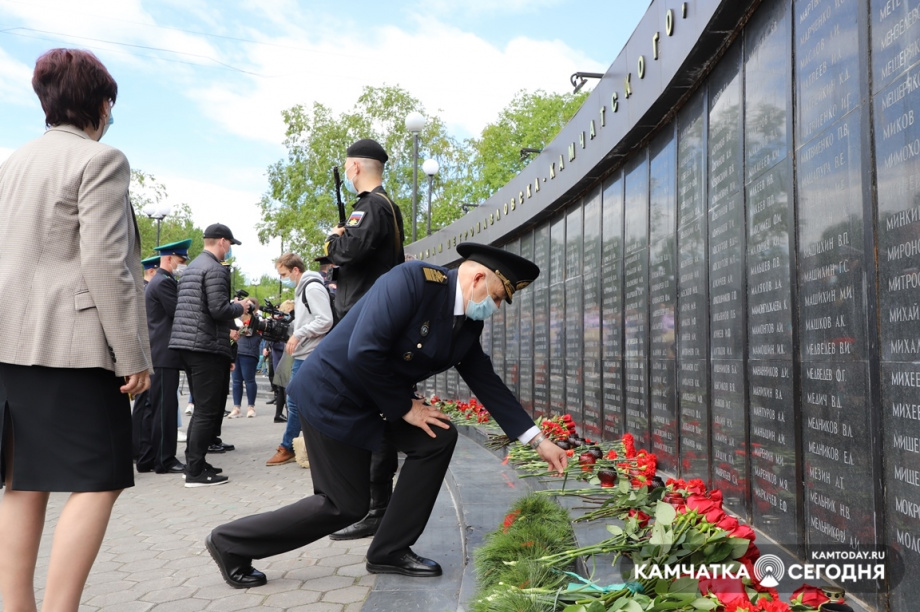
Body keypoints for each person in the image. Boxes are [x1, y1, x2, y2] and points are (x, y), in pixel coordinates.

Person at [205, 243, 567, 587]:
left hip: (377, 402)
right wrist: (407, 407)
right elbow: (364, 351)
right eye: (498, 297)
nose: (496, 307)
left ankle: (390, 549)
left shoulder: (468, 323)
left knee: (437, 438)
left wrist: (538, 441)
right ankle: (230, 542)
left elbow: (486, 382)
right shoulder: (412, 281)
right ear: (476, 280)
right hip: (334, 398)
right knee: (342, 506)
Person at [0, 48, 152, 611]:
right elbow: (107, 264)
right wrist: (133, 353)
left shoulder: (12, 164)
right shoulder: (101, 159)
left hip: (10, 344)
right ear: (102, 103)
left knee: (23, 482)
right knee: (101, 478)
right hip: (73, 347)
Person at [322, 138, 406, 540]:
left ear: (354, 167)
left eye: (346, 165)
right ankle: (372, 505)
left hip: (364, 322)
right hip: (370, 320)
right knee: (372, 413)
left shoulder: (370, 206)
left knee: (372, 416)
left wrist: (334, 238)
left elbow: (347, 253)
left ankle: (376, 508)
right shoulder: (384, 206)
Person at [169, 223, 256, 487]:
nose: (229, 249)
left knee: (200, 411)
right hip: (205, 346)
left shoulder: (193, 266)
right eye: (230, 244)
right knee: (207, 411)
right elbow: (218, 309)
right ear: (222, 242)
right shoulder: (216, 269)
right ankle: (195, 472)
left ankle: (194, 464)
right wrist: (240, 306)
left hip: (186, 345)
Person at [265, 253, 334, 466]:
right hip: (306, 352)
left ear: (296, 270)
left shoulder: (311, 287)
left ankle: (288, 447)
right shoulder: (304, 287)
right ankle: (302, 447)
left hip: (311, 353)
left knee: (295, 400)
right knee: (299, 401)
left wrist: (298, 334)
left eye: (284, 274)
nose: (283, 278)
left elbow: (325, 320)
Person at [136, 239, 191, 475]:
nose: (183, 265)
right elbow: (179, 313)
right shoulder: (164, 283)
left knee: (152, 409)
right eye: (181, 260)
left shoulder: (159, 281)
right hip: (163, 355)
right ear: (169, 258)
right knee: (163, 411)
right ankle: (164, 460)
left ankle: (147, 458)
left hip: (157, 354)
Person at [227, 312, 260, 419]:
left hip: (249, 352)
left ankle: (251, 407)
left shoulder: (256, 319)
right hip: (237, 351)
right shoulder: (235, 317)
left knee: (249, 380)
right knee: (236, 381)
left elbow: (252, 332)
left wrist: (241, 329)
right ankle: (237, 407)